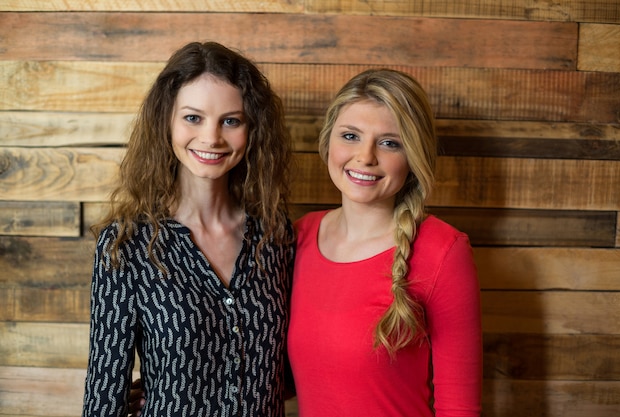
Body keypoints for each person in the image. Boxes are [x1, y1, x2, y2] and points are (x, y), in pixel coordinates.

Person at [82, 41, 295, 417]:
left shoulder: (277, 238)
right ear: (167, 120)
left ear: (252, 129)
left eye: (231, 120)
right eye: (193, 118)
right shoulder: (126, 245)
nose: (212, 137)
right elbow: (103, 395)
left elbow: (289, 372)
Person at [287, 68, 483, 416]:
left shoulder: (443, 250)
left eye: (390, 143)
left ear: (413, 156)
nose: (365, 157)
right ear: (328, 140)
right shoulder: (298, 236)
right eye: (350, 136)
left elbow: (460, 407)